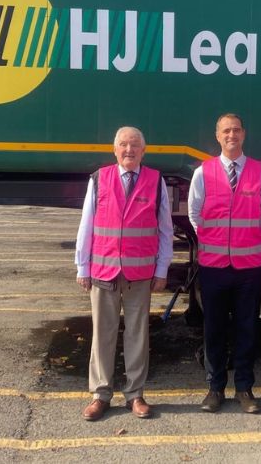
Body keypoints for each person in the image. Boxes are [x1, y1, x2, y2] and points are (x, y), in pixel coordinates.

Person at [74, 126, 173, 421]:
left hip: (139, 273)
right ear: (114, 149)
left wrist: (162, 268)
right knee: (102, 334)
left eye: (135, 146)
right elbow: (86, 225)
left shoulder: (156, 182)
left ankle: (135, 394)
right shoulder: (99, 179)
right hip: (103, 269)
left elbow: (165, 230)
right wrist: (82, 266)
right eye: (123, 145)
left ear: (144, 151)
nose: (129, 150)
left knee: (137, 335)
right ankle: (100, 394)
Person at [188, 113, 261, 414]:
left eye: (236, 130)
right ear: (218, 136)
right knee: (213, 328)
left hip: (249, 267)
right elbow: (195, 216)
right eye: (226, 131)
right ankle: (214, 389)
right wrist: (217, 241)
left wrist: (242, 242)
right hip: (214, 266)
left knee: (247, 328)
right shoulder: (204, 172)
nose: (231, 135)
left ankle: (244, 389)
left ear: (244, 134)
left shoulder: (260, 172)